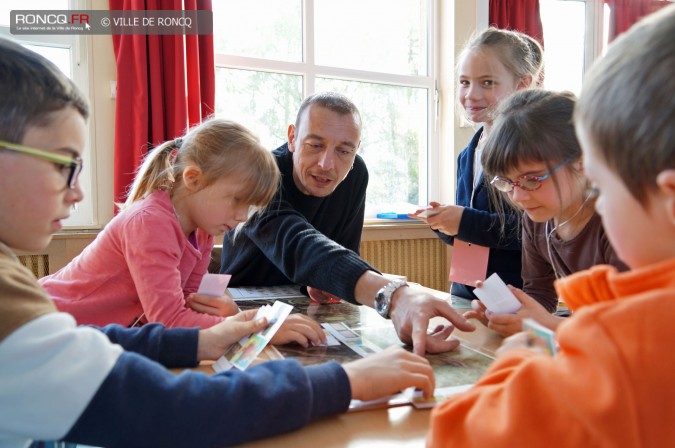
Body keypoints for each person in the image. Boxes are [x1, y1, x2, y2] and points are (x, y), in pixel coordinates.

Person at [0, 37, 437, 448]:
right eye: (63, 165)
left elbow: (140, 331)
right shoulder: (152, 221)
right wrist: (343, 379)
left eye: (344, 150)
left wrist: (232, 329)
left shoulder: (197, 226)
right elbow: (166, 402)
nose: (77, 192)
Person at [428, 5, 675, 446]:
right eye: (508, 184)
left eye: (599, 181)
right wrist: (542, 322)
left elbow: (454, 436)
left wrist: (527, 352)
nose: (520, 196)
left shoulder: (631, 342)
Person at [214, 92, 475, 355]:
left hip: (312, 312)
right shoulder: (262, 174)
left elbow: (343, 250)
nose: (327, 164)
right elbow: (296, 242)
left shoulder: (355, 174)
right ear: (292, 137)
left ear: (356, 149)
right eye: (315, 145)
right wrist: (395, 296)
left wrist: (322, 282)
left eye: (344, 150)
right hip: (242, 311)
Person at [38, 115, 325, 345]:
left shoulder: (201, 232)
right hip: (47, 323)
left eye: (249, 207)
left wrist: (235, 315)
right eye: (237, 200)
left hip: (97, 337)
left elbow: (187, 305)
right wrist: (258, 325)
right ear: (192, 179)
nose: (241, 217)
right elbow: (170, 322)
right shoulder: (151, 223)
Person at [466, 89, 628, 336]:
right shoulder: (536, 218)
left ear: (582, 162)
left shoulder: (620, 221)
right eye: (505, 182)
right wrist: (510, 314)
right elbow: (540, 294)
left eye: (531, 179)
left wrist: (546, 324)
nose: (518, 197)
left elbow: (631, 329)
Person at [410, 28, 543, 301]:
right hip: (466, 295)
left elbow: (534, 231)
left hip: (513, 298)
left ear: (522, 85)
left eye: (488, 83)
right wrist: (445, 223)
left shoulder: (530, 151)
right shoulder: (467, 154)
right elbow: (473, 233)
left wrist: (464, 220)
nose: (471, 94)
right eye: (464, 82)